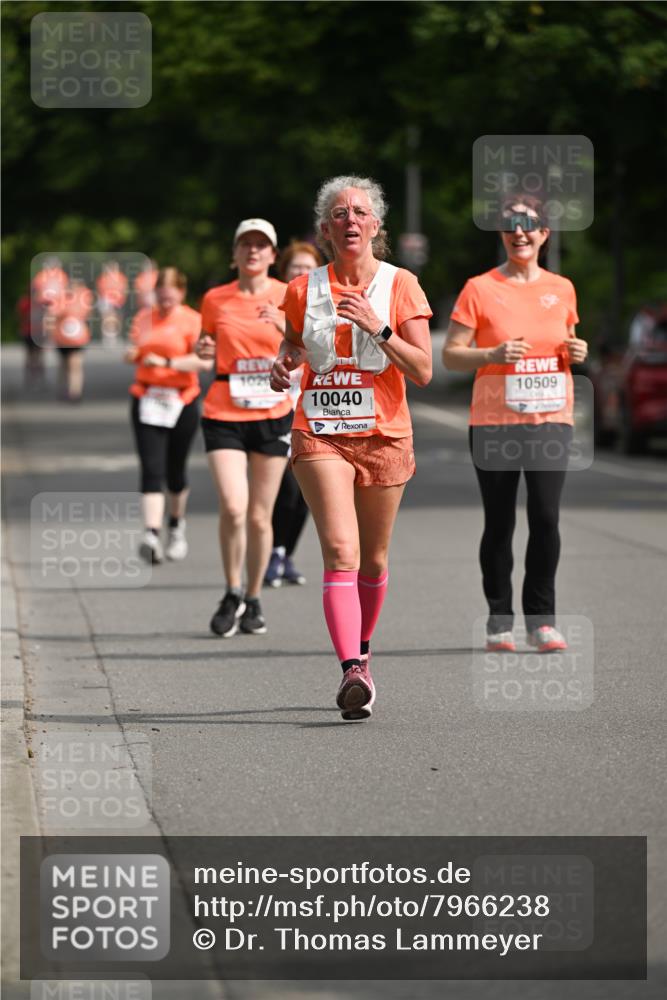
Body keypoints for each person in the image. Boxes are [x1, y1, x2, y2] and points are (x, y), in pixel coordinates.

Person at [270, 176, 432, 721]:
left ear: (376, 227)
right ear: (325, 229)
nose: (351, 220)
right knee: (341, 550)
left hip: (384, 435)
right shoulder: (302, 289)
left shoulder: (400, 284)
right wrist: (284, 361)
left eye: (360, 212)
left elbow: (425, 370)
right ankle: (351, 670)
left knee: (374, 558)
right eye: (339, 213)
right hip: (320, 431)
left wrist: (378, 328)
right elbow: (294, 343)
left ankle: (363, 650)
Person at [443, 194, 588, 654]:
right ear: (502, 234)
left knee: (545, 517)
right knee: (500, 521)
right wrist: (490, 354)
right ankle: (499, 617)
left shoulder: (562, 287)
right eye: (510, 225)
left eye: (529, 225)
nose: (519, 232)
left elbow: (564, 340)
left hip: (550, 417)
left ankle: (542, 620)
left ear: (545, 234)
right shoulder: (480, 288)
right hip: (493, 422)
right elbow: (450, 354)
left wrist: (577, 351)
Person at [196, 219, 291, 637]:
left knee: (258, 515)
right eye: (245, 245)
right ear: (234, 254)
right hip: (224, 411)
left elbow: (309, 348)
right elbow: (206, 345)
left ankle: (253, 598)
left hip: (273, 413)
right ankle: (231, 589)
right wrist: (203, 348)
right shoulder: (215, 299)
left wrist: (283, 324)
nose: (253, 251)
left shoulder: (289, 295)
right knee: (234, 506)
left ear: (273, 255)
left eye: (261, 245)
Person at [126, 267, 211, 563]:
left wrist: (166, 361)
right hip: (146, 397)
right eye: (160, 295)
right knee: (151, 467)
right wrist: (134, 354)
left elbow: (203, 362)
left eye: (170, 295)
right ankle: (150, 533)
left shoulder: (192, 319)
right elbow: (136, 348)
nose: (164, 301)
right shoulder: (143, 318)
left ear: (181, 293)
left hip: (181, 400)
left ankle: (176, 526)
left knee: (175, 470)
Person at [264, 241, 325, 588]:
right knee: (286, 486)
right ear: (284, 273)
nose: (301, 274)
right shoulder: (271, 304)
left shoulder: (325, 305)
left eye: (307, 268)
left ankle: (285, 553)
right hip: (277, 407)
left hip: (316, 405)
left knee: (306, 491)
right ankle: (274, 549)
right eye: (294, 269)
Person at [51, 279, 94, 402]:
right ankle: (63, 389)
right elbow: (54, 314)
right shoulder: (60, 298)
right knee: (64, 364)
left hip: (78, 338)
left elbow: (87, 313)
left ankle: (75, 392)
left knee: (75, 364)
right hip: (62, 338)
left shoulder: (84, 298)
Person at [97, 261, 128, 347]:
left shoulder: (121, 277)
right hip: (107, 300)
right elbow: (102, 291)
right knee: (107, 317)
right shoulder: (104, 278)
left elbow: (124, 289)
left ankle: (116, 334)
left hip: (118, 301)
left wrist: (120, 299)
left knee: (118, 319)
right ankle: (107, 336)